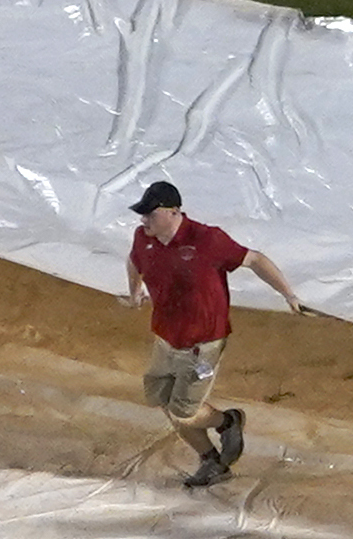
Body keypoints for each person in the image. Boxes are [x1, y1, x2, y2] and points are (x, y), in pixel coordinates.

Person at [121, 183, 299, 492]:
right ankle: (211, 461)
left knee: (183, 411)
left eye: (149, 214)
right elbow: (134, 260)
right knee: (159, 398)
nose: (143, 221)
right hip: (165, 338)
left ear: (172, 212)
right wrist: (135, 292)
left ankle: (227, 422)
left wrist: (289, 295)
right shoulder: (144, 240)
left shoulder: (207, 240)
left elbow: (254, 259)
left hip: (201, 346)